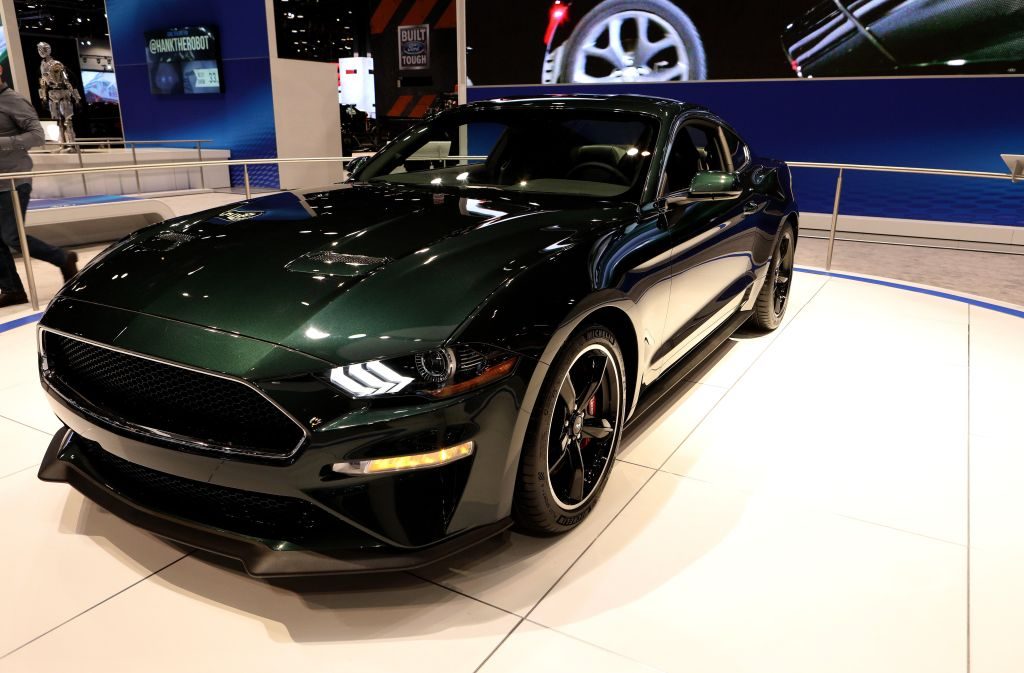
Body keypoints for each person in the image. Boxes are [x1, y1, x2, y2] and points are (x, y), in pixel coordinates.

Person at [0, 64, 77, 308]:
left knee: (13, 237)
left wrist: (2, 143)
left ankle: (63, 258)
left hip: (13, 181)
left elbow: (37, 136)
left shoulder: (13, 100)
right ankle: (12, 290)